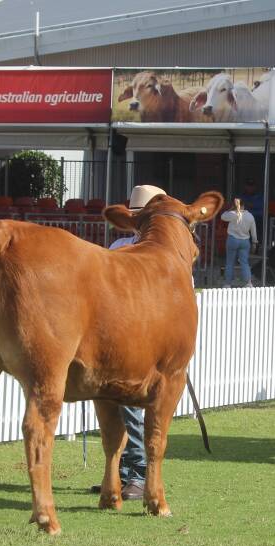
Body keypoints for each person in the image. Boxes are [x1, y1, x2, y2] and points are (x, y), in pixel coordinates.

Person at [100, 184, 167, 499]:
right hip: (115, 337)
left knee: (135, 410)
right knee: (113, 409)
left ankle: (137, 475)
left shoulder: (167, 250)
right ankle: (118, 474)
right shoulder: (117, 246)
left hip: (148, 340)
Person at [221, 197, 259, 287]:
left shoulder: (233, 214)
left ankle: (228, 284)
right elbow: (253, 231)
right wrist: (254, 242)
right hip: (245, 241)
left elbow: (222, 216)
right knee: (244, 262)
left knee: (230, 262)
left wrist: (230, 209)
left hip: (232, 240)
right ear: (244, 205)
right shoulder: (250, 216)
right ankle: (248, 283)